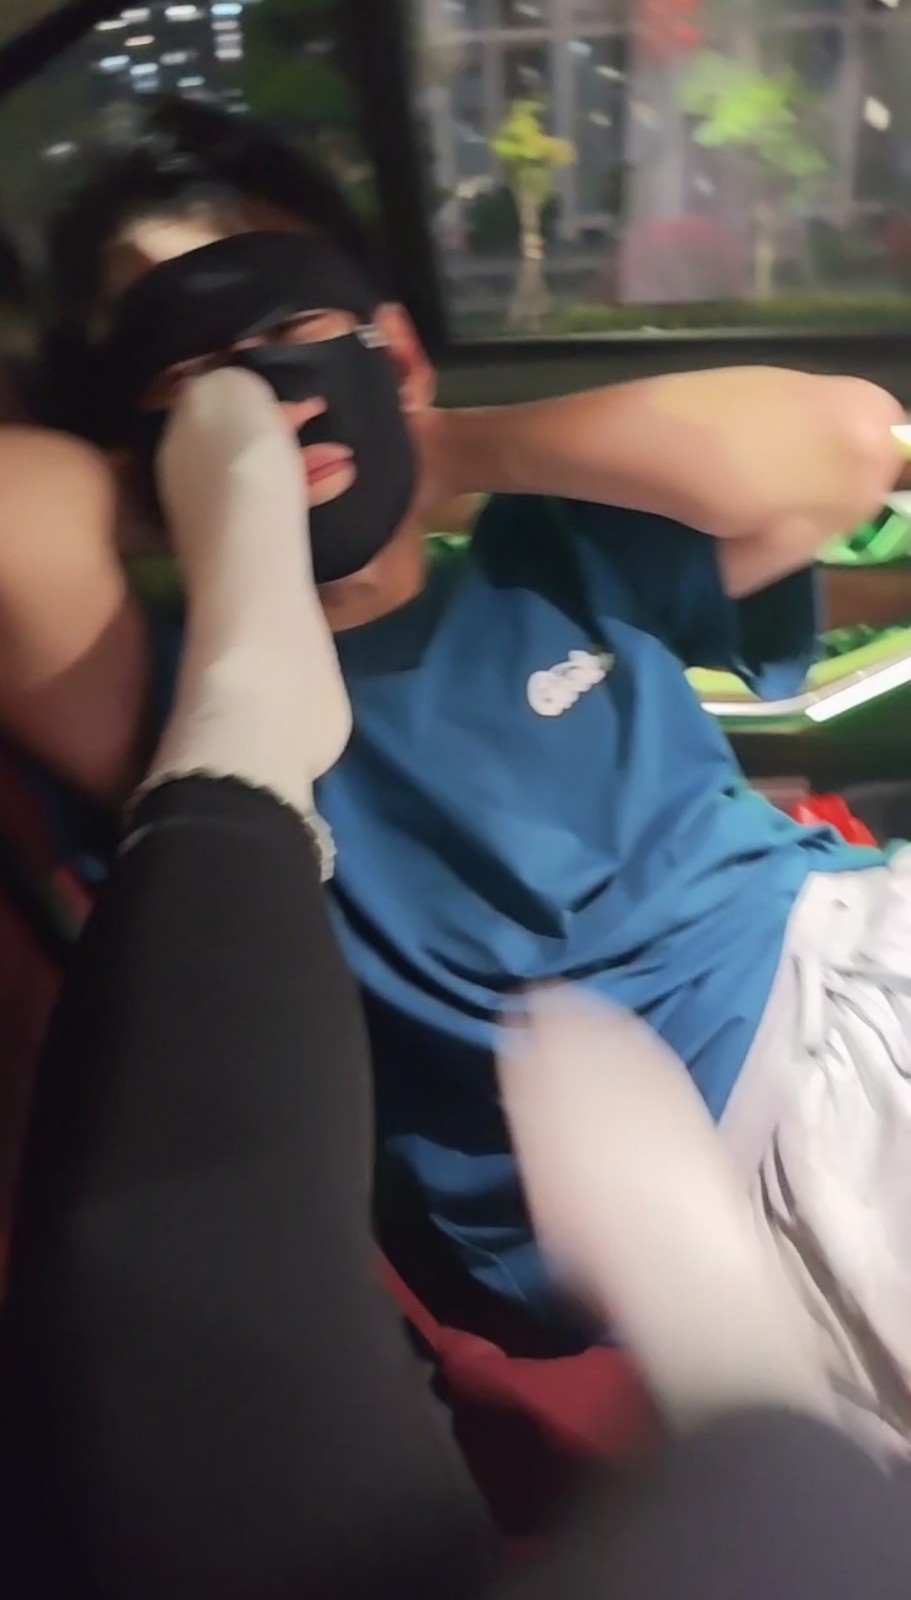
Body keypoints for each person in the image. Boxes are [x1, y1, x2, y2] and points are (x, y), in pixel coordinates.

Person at [14, 96, 911, 1447]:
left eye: (293, 325)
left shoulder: (547, 557)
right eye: (186, 367)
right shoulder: (180, 701)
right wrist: (216, 496)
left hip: (855, 942)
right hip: (714, 1139)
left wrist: (441, 444)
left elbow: (848, 444)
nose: (260, 388)